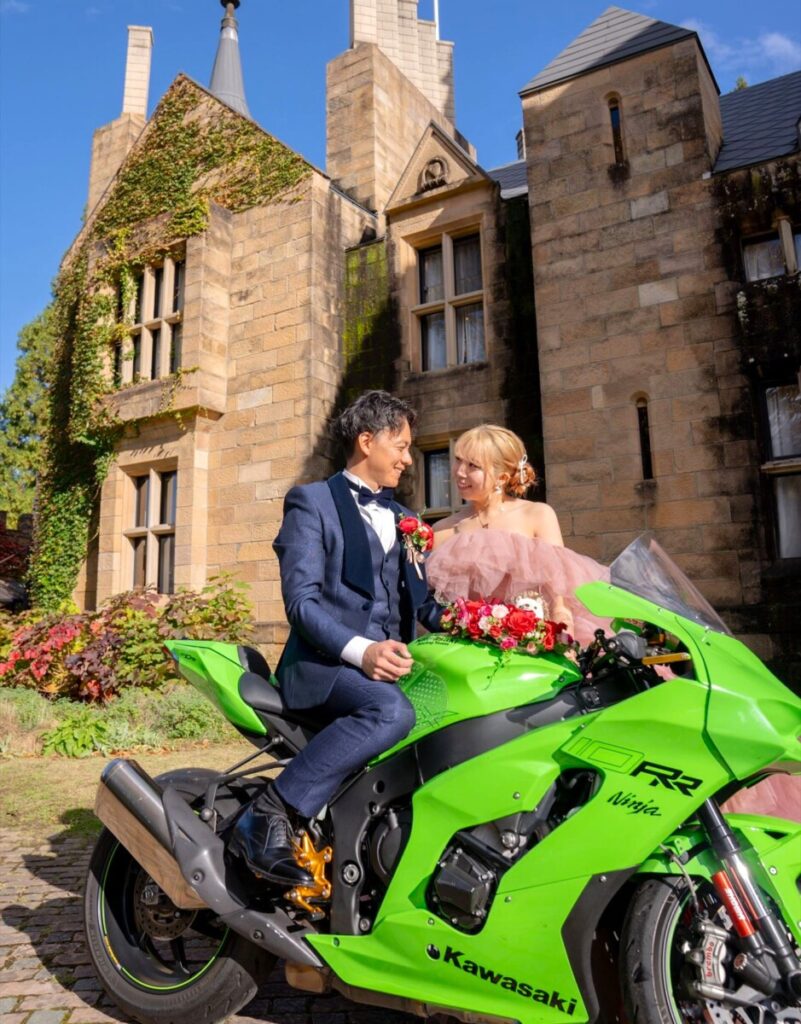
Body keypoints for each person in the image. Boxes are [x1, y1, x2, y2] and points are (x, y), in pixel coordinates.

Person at [230, 391, 444, 883]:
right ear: (367, 441)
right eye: (401, 446)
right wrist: (363, 652)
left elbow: (425, 606)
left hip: (389, 670)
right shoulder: (311, 502)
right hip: (323, 668)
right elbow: (301, 603)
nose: (409, 460)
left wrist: (493, 627)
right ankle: (271, 809)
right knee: (391, 712)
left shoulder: (405, 519)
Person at [426, 424, 608, 646]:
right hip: (468, 651)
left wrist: (564, 636)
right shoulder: (442, 530)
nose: (459, 472)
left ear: (502, 477)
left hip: (534, 645)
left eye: (473, 465)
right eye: (457, 460)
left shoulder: (537, 515)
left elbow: (559, 590)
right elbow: (434, 608)